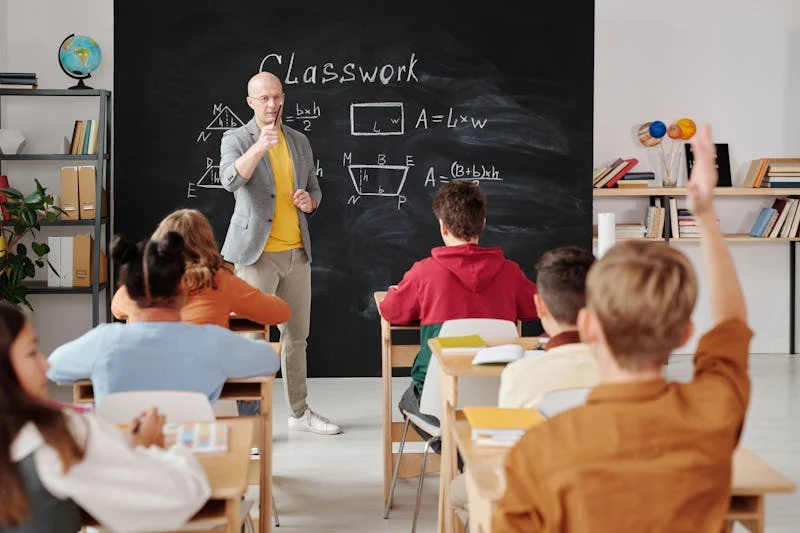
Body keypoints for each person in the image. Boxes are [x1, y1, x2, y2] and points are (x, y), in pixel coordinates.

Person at [493, 125, 752, 532]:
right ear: (684, 335)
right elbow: (732, 325)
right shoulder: (712, 413)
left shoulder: (540, 451)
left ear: (588, 324)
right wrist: (704, 216)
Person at [0, 302, 211, 533]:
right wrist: (152, 450)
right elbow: (180, 496)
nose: (46, 364)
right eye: (32, 353)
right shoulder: (58, 437)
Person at [219, 71, 338, 435]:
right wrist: (259, 146)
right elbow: (229, 180)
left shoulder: (299, 141)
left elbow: (315, 188)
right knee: (252, 340)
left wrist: (310, 202)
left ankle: (300, 413)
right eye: (264, 99)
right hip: (256, 254)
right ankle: (249, 422)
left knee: (297, 337)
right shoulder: (236, 138)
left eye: (277, 97)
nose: (272, 105)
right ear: (251, 102)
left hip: (297, 253)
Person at [450, 245, 599, 522]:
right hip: (606, 496)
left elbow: (505, 453)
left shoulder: (521, 374)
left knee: (457, 493)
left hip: (537, 502)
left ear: (540, 305)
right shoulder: (624, 372)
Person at [379, 181, 538, 440]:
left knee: (409, 401)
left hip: (436, 397)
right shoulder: (510, 272)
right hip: (497, 395)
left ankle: (454, 449)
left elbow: (391, 311)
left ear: (442, 225)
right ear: (483, 223)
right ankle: (466, 454)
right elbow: (536, 307)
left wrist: (395, 291)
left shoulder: (424, 272)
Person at [47, 232, 280, 406]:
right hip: (188, 462)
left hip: (121, 462)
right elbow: (269, 360)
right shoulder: (212, 342)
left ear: (128, 290)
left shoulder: (104, 342)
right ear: (183, 286)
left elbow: (53, 367)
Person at [111, 208, 290, 328]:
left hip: (147, 379)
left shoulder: (143, 282)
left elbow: (117, 309)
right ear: (207, 242)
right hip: (203, 379)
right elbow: (280, 313)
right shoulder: (219, 281)